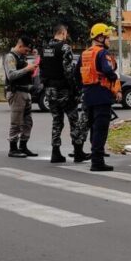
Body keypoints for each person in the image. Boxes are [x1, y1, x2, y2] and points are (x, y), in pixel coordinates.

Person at [41, 24, 91, 163]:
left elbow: (42, 69)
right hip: (64, 90)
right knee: (74, 120)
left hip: (50, 90)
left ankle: (55, 152)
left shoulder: (45, 48)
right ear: (63, 33)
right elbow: (68, 71)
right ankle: (78, 151)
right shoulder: (65, 48)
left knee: (57, 121)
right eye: (66, 33)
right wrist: (75, 89)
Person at [79, 23, 121, 172]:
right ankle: (97, 162)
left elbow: (77, 75)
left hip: (88, 95)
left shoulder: (85, 53)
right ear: (100, 37)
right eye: (107, 37)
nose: (109, 40)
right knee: (101, 130)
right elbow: (108, 70)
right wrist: (114, 79)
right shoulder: (102, 53)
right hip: (102, 95)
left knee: (93, 128)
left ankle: (95, 158)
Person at [4, 35, 38, 158]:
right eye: (26, 50)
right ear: (20, 46)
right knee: (16, 122)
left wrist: (33, 60)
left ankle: (23, 146)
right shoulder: (10, 57)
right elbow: (11, 75)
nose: (27, 53)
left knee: (28, 122)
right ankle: (13, 148)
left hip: (25, 92)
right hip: (16, 93)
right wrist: (27, 69)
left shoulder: (20, 57)